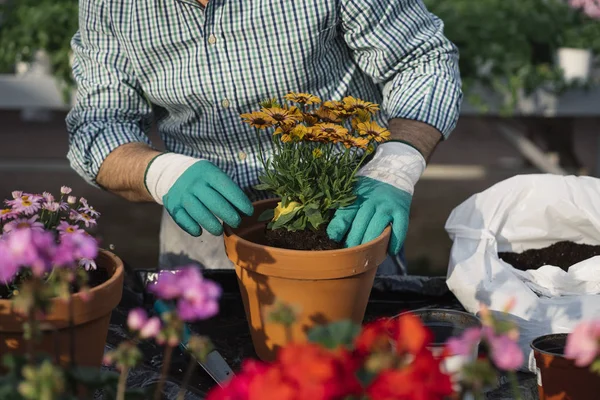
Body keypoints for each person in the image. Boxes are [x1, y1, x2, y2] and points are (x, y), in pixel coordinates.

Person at [66, 0, 462, 275]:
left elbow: (421, 60)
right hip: (206, 226)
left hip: (345, 210)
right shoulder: (110, 6)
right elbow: (99, 123)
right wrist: (160, 172)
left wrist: (395, 166)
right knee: (205, 376)